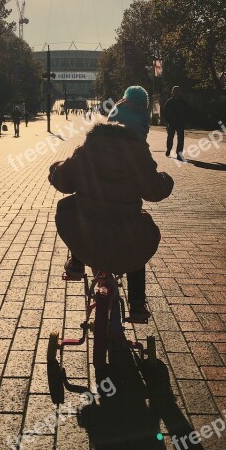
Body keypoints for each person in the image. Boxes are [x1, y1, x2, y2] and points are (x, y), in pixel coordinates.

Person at [48, 123, 174, 323]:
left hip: (89, 227)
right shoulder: (138, 155)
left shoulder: (85, 153)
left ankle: (77, 263)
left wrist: (56, 167)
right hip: (126, 227)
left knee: (75, 213)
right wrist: (166, 180)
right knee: (137, 248)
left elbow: (62, 181)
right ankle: (137, 303)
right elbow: (155, 190)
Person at [164, 86, 189, 160]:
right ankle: (169, 149)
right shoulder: (169, 102)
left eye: (178, 91)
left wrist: (186, 121)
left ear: (180, 92)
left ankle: (179, 153)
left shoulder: (183, 102)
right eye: (175, 91)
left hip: (180, 122)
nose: (176, 93)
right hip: (171, 122)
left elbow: (187, 111)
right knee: (170, 137)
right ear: (172, 92)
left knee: (180, 138)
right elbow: (165, 112)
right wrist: (168, 121)